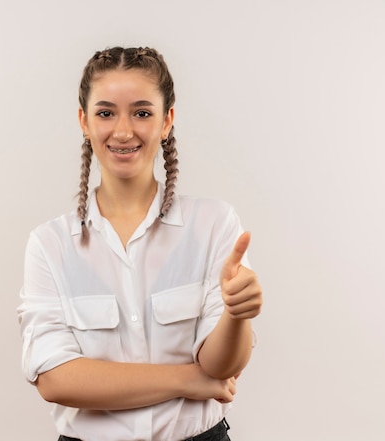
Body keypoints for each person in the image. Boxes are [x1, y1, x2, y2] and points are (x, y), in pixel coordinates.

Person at [17, 46, 263, 441]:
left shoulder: (214, 224)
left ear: (167, 121)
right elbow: (55, 379)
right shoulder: (50, 245)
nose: (124, 130)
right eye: (106, 112)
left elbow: (221, 368)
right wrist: (187, 380)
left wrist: (237, 314)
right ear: (84, 120)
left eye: (142, 112)